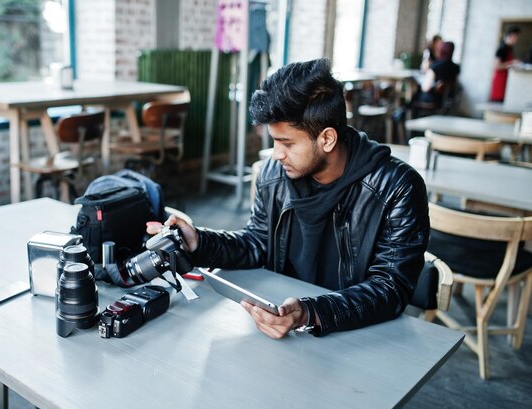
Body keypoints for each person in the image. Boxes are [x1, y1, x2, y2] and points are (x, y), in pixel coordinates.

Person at [148, 58, 430, 339]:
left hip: (356, 335)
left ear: (327, 139)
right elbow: (258, 242)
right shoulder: (274, 174)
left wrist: (312, 312)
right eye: (273, 141)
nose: (276, 154)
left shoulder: (396, 188)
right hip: (284, 326)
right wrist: (199, 241)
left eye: (287, 143)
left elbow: (390, 287)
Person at [418, 41, 460, 106]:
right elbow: (455, 85)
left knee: (414, 95)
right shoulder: (456, 67)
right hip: (446, 99)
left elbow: (426, 87)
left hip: (432, 99)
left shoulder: (436, 65)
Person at [490, 25, 521, 102]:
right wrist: (512, 63)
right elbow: (496, 66)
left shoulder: (510, 48)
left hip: (505, 79)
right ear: (511, 36)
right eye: (516, 37)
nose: (517, 39)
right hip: (499, 79)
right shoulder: (502, 48)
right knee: (497, 102)